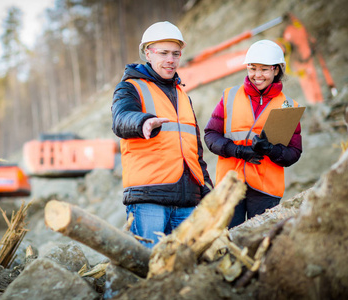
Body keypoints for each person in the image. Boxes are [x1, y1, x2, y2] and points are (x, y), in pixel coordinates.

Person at [111, 21, 213, 248]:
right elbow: (121, 119)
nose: (171, 60)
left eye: (176, 54)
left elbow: (194, 151)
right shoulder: (129, 87)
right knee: (149, 268)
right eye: (164, 53)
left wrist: (206, 188)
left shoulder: (183, 95)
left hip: (187, 201)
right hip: (149, 200)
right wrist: (143, 121)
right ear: (148, 52)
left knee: (182, 270)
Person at [204, 39, 302, 229]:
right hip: (230, 186)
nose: (257, 75)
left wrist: (271, 150)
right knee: (229, 245)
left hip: (266, 191)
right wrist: (238, 151)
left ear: (276, 70)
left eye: (264, 69)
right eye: (252, 68)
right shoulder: (229, 96)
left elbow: (294, 152)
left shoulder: (287, 106)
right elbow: (210, 136)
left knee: (259, 245)